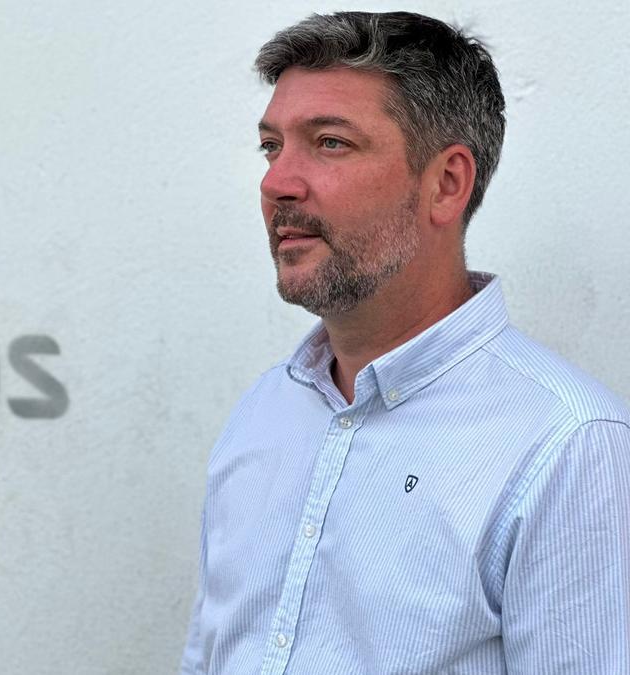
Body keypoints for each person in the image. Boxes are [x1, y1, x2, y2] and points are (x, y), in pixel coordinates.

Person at [180, 11, 630, 674]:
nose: (277, 182)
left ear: (446, 183)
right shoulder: (262, 415)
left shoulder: (567, 445)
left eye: (329, 143)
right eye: (272, 146)